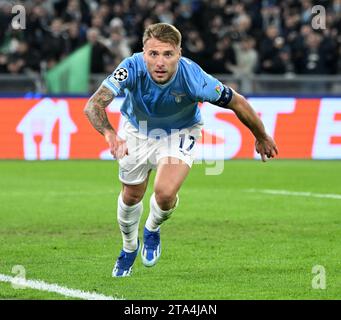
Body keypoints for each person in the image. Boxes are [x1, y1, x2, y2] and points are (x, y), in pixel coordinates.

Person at [84, 23, 278, 277]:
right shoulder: (130, 67)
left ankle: (152, 229)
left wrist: (261, 135)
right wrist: (110, 134)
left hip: (180, 131)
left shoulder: (194, 78)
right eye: (153, 54)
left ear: (179, 53)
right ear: (144, 53)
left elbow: (237, 102)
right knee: (132, 196)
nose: (160, 62)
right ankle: (129, 247)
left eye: (168, 54)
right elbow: (94, 105)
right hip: (137, 130)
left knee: (164, 193)